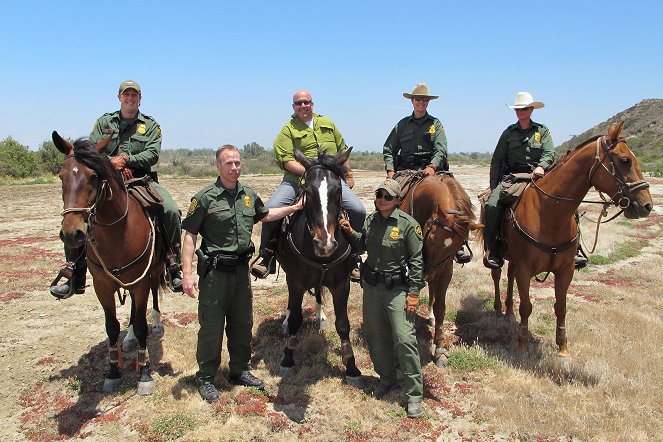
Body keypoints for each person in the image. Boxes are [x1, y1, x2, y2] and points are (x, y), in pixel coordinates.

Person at [181, 144, 303, 403]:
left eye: (237, 163)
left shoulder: (248, 194)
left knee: (242, 324)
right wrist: (188, 273)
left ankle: (239, 370)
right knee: (212, 328)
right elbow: (190, 235)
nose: (234, 168)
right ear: (218, 166)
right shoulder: (204, 198)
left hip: (241, 272)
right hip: (214, 274)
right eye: (228, 163)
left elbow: (266, 214)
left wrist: (293, 209)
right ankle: (205, 377)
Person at [50, 80, 184, 298]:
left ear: (140, 99)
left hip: (141, 179)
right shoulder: (104, 122)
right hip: (107, 179)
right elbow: (89, 150)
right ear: (119, 97)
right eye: (126, 95)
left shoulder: (150, 125)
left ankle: (173, 264)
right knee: (77, 213)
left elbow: (152, 154)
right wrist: (112, 162)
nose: (130, 99)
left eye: (134, 95)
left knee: (169, 210)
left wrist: (126, 159)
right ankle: (74, 271)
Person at [250, 89, 366, 279]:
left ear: (312, 104)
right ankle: (267, 254)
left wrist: (349, 174)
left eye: (307, 102)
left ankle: (355, 257)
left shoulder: (328, 124)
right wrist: (312, 174)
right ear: (293, 107)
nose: (303, 106)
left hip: (330, 181)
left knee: (358, 210)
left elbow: (342, 150)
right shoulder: (288, 130)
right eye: (299, 103)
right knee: (270, 209)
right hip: (297, 181)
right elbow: (286, 160)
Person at [340, 178, 425, 419]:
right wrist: (350, 232)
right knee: (375, 336)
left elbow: (417, 261)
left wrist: (414, 294)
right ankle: (387, 378)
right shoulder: (371, 220)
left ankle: (415, 394)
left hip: (398, 290)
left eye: (387, 196)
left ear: (397, 200)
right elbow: (363, 244)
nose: (381, 200)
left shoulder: (408, 225)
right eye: (379, 195)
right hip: (373, 288)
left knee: (404, 339)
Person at [483, 91, 588, 269]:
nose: (520, 111)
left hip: (539, 177)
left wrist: (541, 166)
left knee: (570, 206)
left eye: (524, 108)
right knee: (492, 205)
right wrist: (493, 186)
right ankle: (493, 247)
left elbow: (549, 153)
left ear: (531, 110)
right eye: (517, 109)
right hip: (513, 179)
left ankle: (575, 248)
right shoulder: (508, 133)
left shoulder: (542, 131)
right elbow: (497, 160)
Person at [383, 82, 471, 264]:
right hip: (406, 172)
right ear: (412, 101)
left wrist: (432, 167)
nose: (421, 102)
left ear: (428, 102)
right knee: (385, 197)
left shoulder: (435, 124)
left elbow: (441, 149)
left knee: (460, 200)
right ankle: (384, 239)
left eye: (424, 100)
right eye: (418, 99)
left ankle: (460, 243)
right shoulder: (402, 125)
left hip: (433, 171)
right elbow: (388, 148)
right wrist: (391, 171)